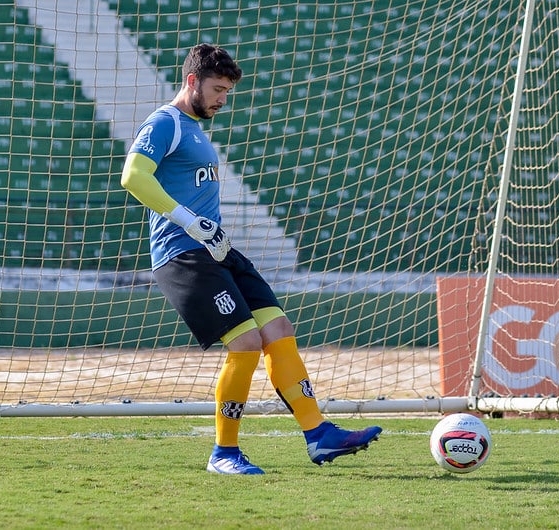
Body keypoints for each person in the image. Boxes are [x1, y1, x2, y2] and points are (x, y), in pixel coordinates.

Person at [120, 43, 382, 475]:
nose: (223, 99)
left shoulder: (194, 127)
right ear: (192, 81)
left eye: (228, 91)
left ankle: (318, 434)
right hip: (182, 254)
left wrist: (208, 231)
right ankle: (223, 454)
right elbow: (133, 176)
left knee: (278, 329)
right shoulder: (165, 122)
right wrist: (189, 221)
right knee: (245, 345)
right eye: (218, 89)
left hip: (216, 248)